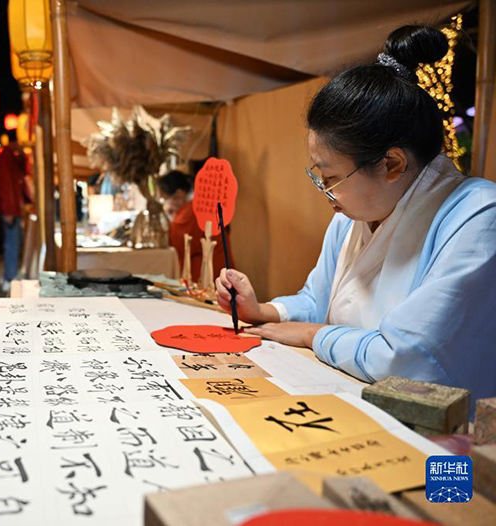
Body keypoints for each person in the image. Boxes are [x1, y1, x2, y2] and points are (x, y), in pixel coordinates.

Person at [216, 25, 496, 403]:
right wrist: (263, 310)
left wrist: (314, 335)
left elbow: (409, 359)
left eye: (330, 177)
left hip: (447, 437)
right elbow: (320, 302)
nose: (325, 192)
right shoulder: (350, 216)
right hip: (347, 397)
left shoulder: (477, 217)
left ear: (392, 164)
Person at [159, 169, 228, 283]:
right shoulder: (195, 203)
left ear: (179, 194)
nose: (166, 203)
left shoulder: (192, 209)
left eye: (166, 199)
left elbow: (178, 242)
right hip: (216, 260)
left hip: (207, 265)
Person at [0, 144, 30, 293]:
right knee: (12, 244)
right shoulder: (7, 158)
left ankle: (8, 276)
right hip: (11, 209)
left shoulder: (9, 158)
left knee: (12, 242)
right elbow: (6, 185)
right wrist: (9, 209)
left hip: (12, 208)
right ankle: (10, 278)